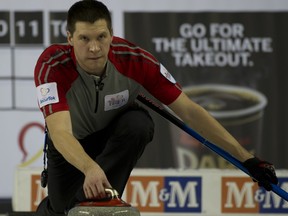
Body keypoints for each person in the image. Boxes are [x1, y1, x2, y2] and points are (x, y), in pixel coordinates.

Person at [34, 0, 278, 215]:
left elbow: (190, 111)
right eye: (84, 39)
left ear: (111, 33)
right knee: (60, 209)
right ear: (69, 38)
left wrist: (248, 159)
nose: (94, 48)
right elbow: (61, 133)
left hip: (113, 137)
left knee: (138, 123)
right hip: (71, 144)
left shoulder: (136, 60)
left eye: (101, 37)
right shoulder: (52, 65)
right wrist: (90, 167)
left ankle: (101, 201)